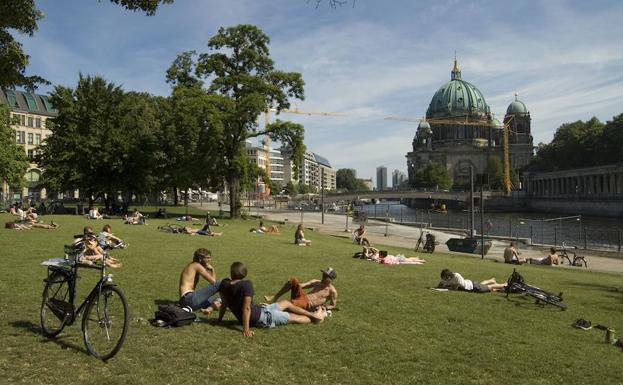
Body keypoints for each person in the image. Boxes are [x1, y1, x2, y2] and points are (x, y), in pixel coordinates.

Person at [217, 262, 326, 337]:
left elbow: (224, 303)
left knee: (286, 303)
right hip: (261, 318)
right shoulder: (246, 285)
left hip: (260, 309)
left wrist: (219, 320)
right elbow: (246, 308)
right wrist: (246, 329)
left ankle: (313, 315)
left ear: (231, 273)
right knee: (294, 318)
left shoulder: (224, 284)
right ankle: (317, 318)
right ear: (245, 274)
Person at [263, 268, 338, 312]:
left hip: (308, 304)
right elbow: (303, 285)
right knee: (293, 280)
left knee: (289, 304)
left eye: (325, 276)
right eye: (323, 275)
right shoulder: (316, 282)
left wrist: (325, 307)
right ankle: (275, 297)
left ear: (331, 279)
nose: (323, 277)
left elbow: (333, 305)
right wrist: (293, 285)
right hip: (302, 297)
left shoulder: (332, 291)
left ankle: (270, 308)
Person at [179, 248, 221, 315]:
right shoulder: (196, 265)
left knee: (217, 298)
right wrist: (212, 270)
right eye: (207, 258)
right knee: (221, 283)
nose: (209, 260)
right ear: (200, 259)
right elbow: (213, 282)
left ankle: (209, 309)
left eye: (209, 258)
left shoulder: (192, 266)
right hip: (189, 299)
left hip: (186, 303)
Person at [438, 269, 506, 293]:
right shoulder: (445, 278)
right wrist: (441, 286)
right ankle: (491, 280)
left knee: (490, 287)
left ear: (449, 277)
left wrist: (446, 287)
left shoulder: (456, 277)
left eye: (445, 279)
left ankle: (504, 284)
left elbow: (455, 288)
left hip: (473, 287)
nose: (444, 280)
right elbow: (440, 284)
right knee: (482, 285)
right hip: (470, 283)